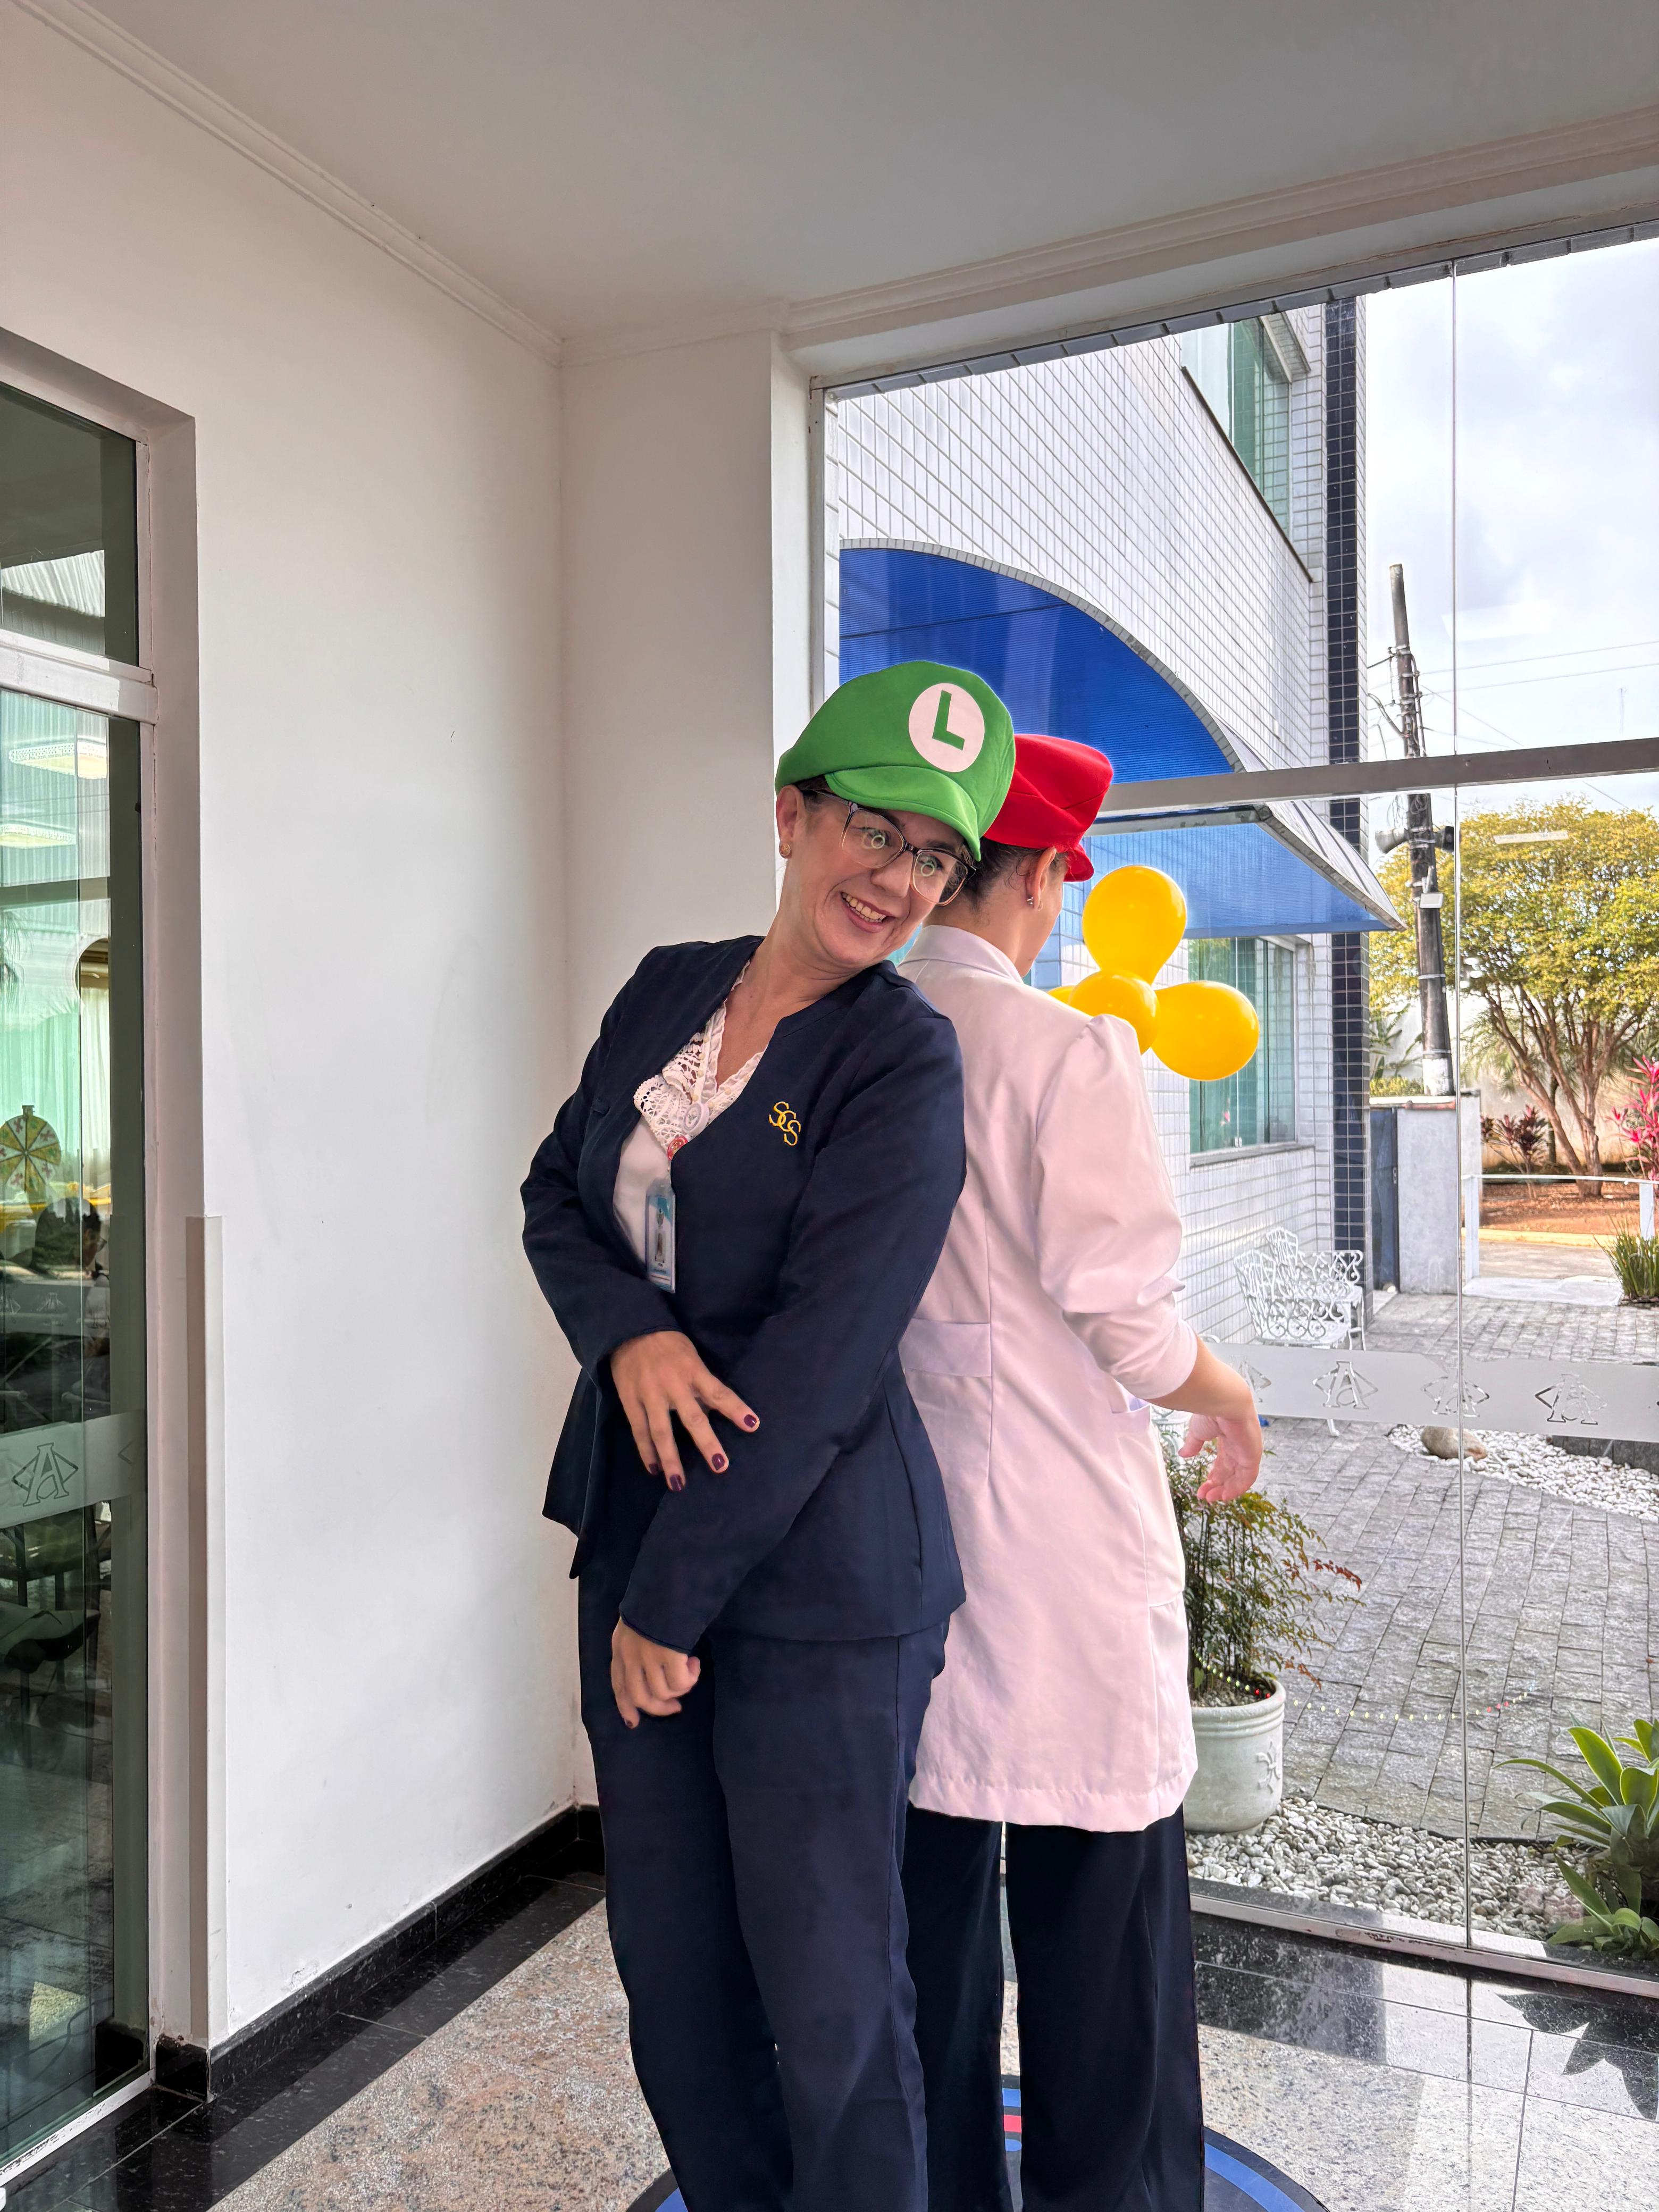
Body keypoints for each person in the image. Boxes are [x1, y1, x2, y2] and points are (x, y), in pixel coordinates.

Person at [521, 662, 1016, 2212]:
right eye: (875, 830)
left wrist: (671, 1607)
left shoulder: (902, 1058)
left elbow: (823, 1360)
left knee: (831, 1991)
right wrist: (633, 1331)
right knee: (674, 1975)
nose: (900, 881)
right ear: (793, 815)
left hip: (822, 1583)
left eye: (935, 858)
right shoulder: (666, 988)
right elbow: (554, 1194)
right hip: (635, 1530)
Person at [896, 731, 1263, 2212]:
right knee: (1102, 1922)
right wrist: (1232, 1396)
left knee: (920, 1922)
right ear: (1043, 878)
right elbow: (1128, 1321)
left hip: (897, 1535)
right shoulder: (1061, 1050)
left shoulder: (855, 1032)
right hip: (1056, 1534)